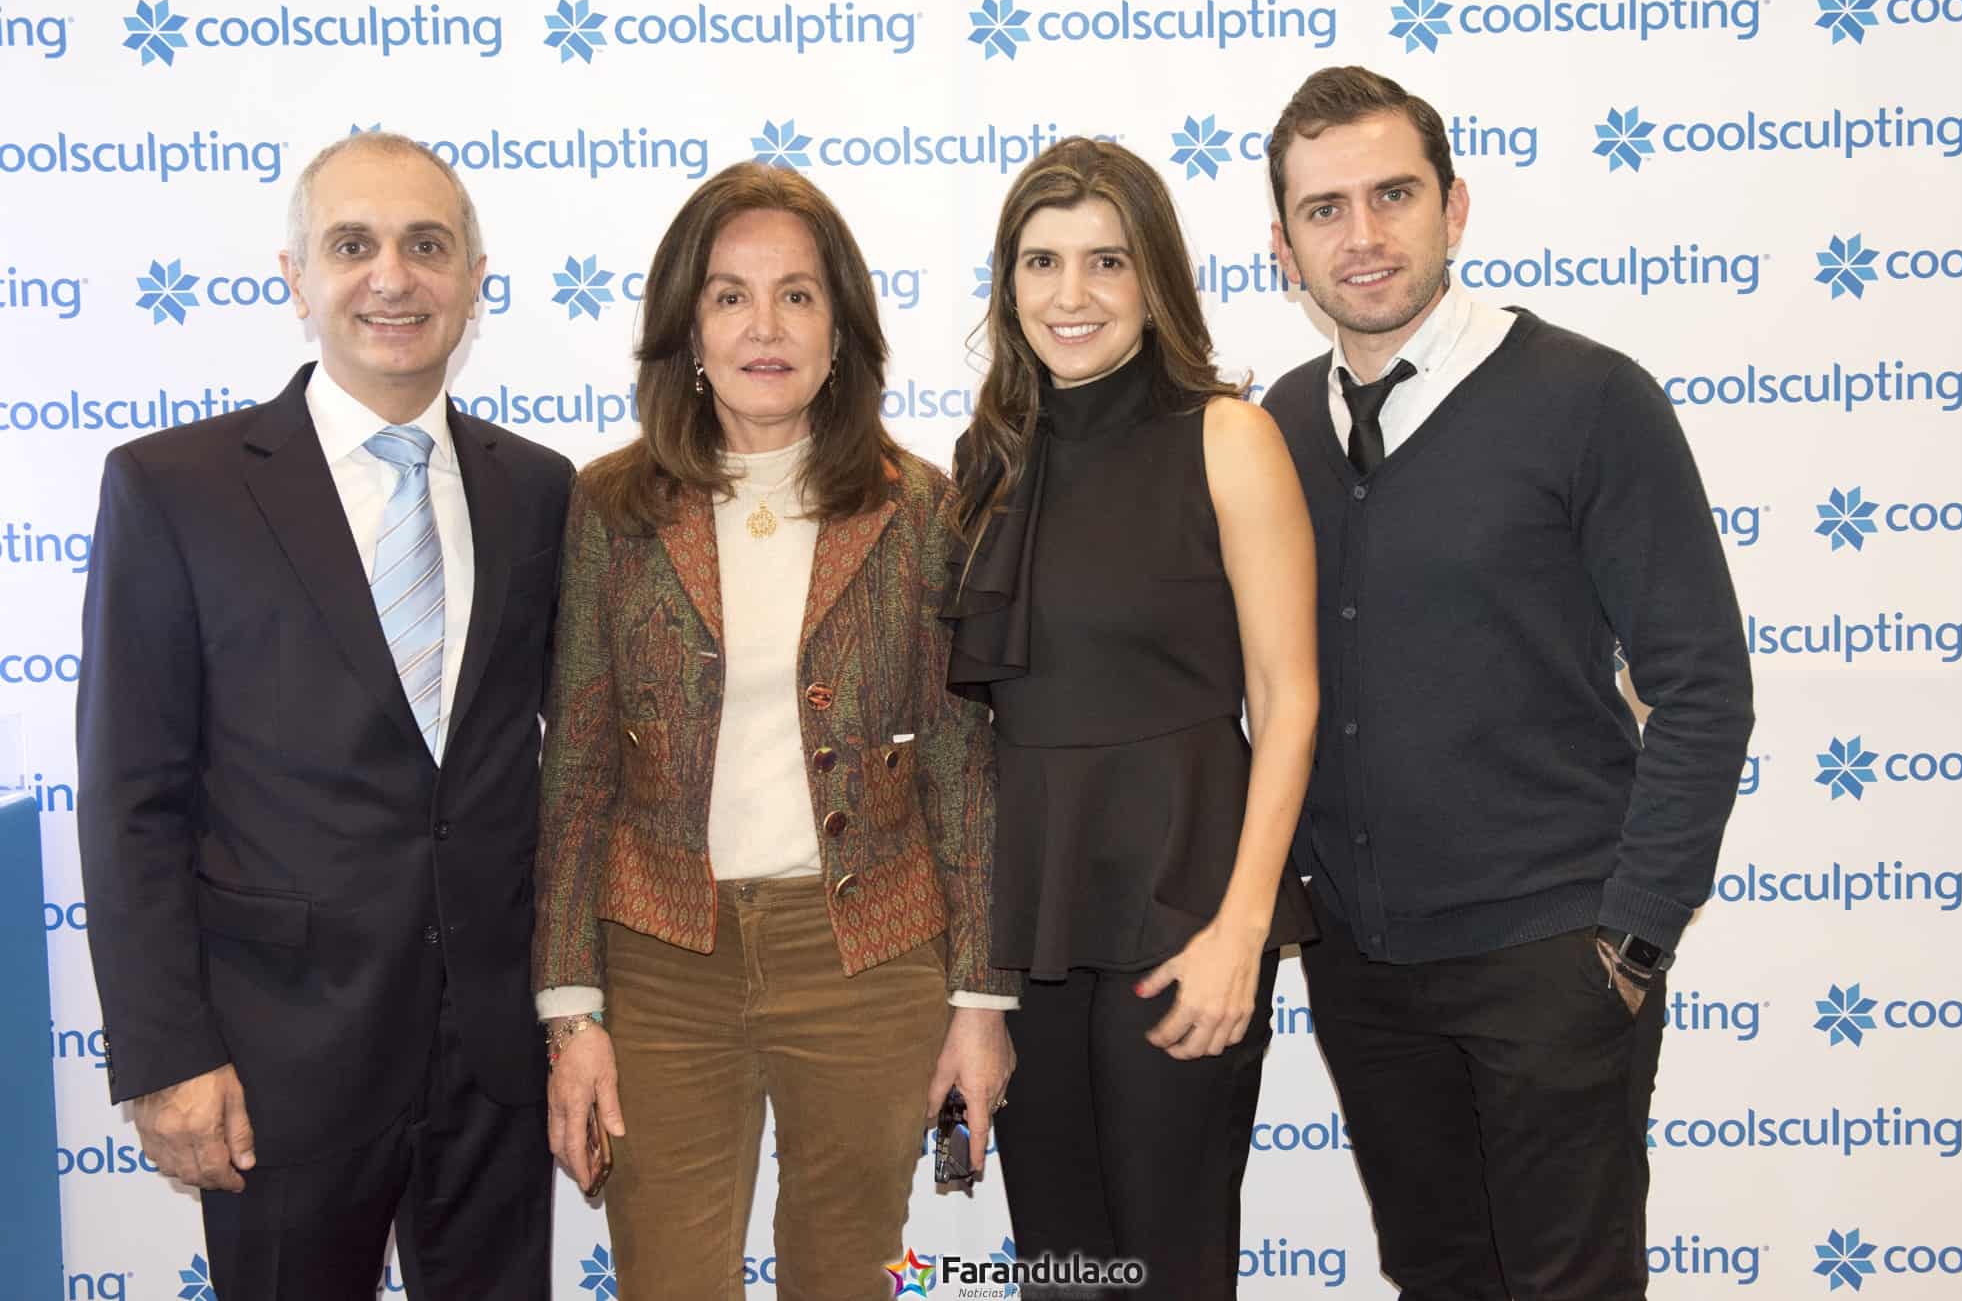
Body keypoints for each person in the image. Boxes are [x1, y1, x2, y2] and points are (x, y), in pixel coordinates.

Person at [1258, 66, 1757, 1301]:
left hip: (1552, 958)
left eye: (1392, 195)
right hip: (1364, 967)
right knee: (1436, 1278)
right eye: (1324, 209)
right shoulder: (1276, 426)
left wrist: (1631, 936)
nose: (1361, 235)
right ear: (1282, 247)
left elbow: (1701, 682)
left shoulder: (1586, 399)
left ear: (1454, 207)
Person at [76, 131, 572, 1300]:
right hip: (275, 1065)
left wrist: (574, 1016)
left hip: (494, 1063)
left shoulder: (538, 489)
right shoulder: (174, 488)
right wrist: (168, 1055)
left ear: (474, 281)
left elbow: (562, 763)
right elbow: (131, 797)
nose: (392, 277)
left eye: (426, 246)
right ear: (296, 277)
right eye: (352, 245)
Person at [532, 160, 1019, 1301]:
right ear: (687, 332)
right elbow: (578, 763)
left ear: (841, 333)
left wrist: (981, 998)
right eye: (729, 296)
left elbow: (960, 762)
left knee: (846, 1274)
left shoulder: (917, 507)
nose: (765, 327)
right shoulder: (611, 508)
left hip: (868, 957)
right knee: (669, 1282)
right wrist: (570, 1008)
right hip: (660, 957)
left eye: (797, 295)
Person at [947, 137, 1319, 1296]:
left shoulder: (1227, 436)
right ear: (1007, 286)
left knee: (1167, 1264)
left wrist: (1241, 930)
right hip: (1033, 922)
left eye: (1105, 261)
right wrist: (972, 985)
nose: (1071, 294)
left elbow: (1288, 698)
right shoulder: (987, 463)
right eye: (1041, 262)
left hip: (1183, 905)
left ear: (1153, 279)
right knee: (1062, 1267)